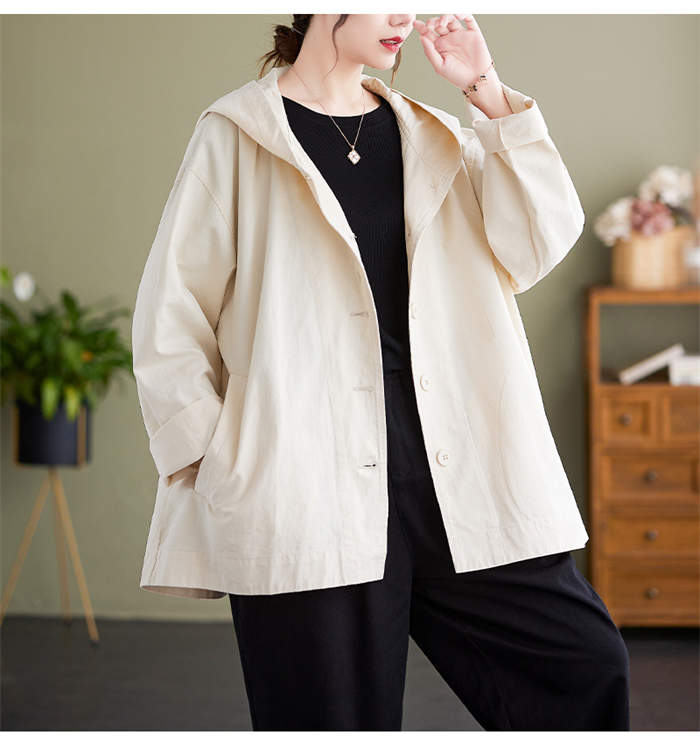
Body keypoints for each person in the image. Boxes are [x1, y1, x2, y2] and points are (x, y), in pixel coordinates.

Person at [132, 13, 631, 731]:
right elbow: (170, 315)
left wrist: (486, 92)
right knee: (329, 716)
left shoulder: (436, 134)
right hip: (305, 478)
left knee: (584, 668)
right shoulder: (236, 135)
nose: (405, 14)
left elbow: (538, 243)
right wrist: (220, 461)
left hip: (458, 467)